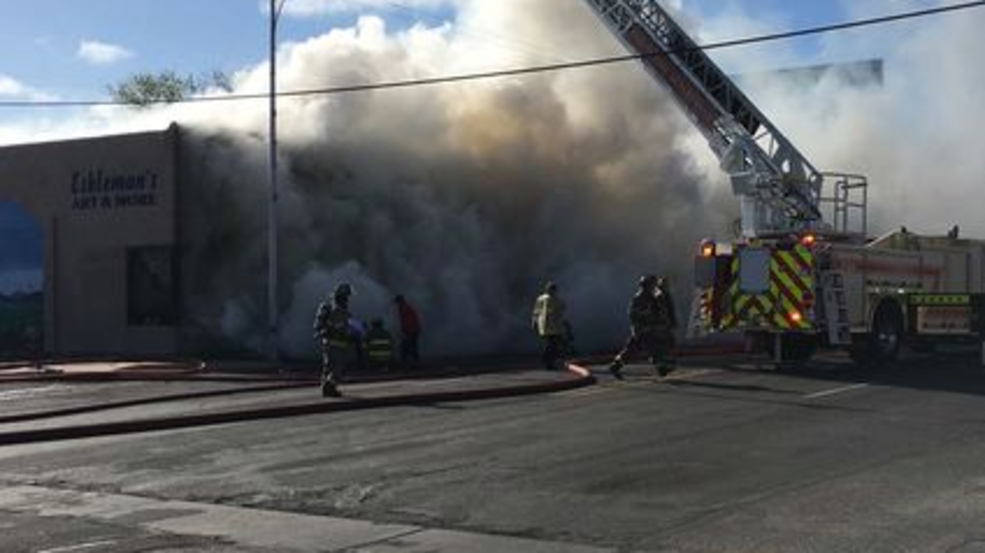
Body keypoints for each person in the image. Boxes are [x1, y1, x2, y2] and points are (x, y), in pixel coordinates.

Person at [609, 274, 677, 380]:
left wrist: (663, 290)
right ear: (646, 285)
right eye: (652, 285)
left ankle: (616, 365)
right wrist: (648, 318)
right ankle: (661, 367)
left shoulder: (652, 297)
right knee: (653, 347)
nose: (653, 287)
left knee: (632, 350)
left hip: (647, 329)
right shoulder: (640, 298)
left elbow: (662, 306)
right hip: (642, 330)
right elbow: (633, 314)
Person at [314, 283, 356, 397]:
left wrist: (350, 335)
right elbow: (319, 325)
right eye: (346, 297)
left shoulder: (344, 312)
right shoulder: (328, 308)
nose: (347, 299)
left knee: (330, 368)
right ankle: (328, 386)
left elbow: (346, 327)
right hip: (333, 343)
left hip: (337, 343)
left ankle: (328, 389)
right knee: (337, 369)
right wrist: (327, 329)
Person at [531, 281, 567, 371]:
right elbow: (536, 312)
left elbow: (561, 313)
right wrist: (534, 321)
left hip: (554, 326)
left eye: (553, 289)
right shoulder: (542, 299)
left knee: (553, 345)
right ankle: (548, 362)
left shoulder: (558, 300)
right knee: (551, 345)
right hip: (546, 325)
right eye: (550, 289)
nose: (551, 291)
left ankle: (549, 362)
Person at [393, 295, 422, 369]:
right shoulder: (404, 308)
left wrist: (406, 331)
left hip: (411, 330)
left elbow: (409, 321)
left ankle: (413, 363)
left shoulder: (405, 308)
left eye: (397, 302)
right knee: (408, 347)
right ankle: (407, 362)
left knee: (410, 347)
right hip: (411, 330)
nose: (396, 304)